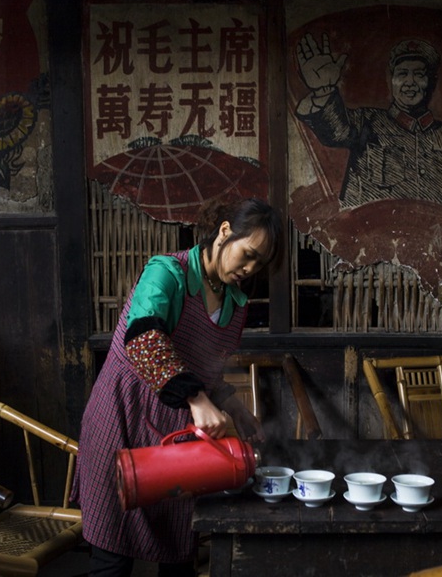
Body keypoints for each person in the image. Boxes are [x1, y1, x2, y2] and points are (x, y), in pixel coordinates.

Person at [72, 198, 284, 577]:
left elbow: (207, 372)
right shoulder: (167, 272)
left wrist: (237, 411)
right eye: (248, 254)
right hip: (121, 417)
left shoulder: (236, 303)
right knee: (112, 556)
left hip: (174, 435)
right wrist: (196, 398)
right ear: (223, 232)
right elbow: (143, 339)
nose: (250, 268)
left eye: (260, 263)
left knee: (177, 552)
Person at [295, 33, 442, 209]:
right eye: (402, 74)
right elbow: (334, 132)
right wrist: (323, 90)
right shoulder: (364, 123)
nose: (410, 82)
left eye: (419, 74)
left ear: (431, 82)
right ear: (391, 80)